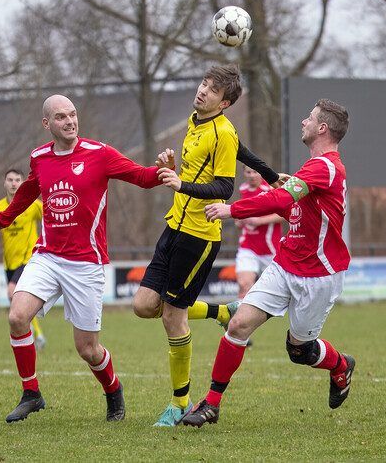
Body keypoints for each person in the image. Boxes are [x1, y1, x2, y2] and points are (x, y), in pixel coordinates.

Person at [0, 94, 174, 423]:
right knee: (17, 316)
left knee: (87, 349)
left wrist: (163, 171)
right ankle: (32, 393)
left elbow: (141, 177)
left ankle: (113, 389)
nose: (70, 121)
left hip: (86, 262)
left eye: (72, 114)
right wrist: (2, 220)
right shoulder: (39, 157)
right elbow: (29, 191)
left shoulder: (100, 154)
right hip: (47, 256)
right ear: (47, 124)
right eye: (60, 117)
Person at [181, 98, 355, 428]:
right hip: (285, 264)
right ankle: (211, 403)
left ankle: (340, 366)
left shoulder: (325, 166)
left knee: (299, 350)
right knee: (238, 325)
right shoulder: (314, 167)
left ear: (322, 128)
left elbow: (281, 200)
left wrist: (233, 209)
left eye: (310, 118)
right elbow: (296, 209)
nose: (303, 121)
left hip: (319, 274)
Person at [132, 64, 286, 427]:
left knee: (173, 316)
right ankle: (221, 313)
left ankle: (179, 403)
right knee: (143, 305)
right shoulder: (195, 121)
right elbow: (244, 151)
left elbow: (223, 188)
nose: (202, 91)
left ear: (225, 102)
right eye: (203, 84)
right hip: (174, 225)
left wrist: (180, 184)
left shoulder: (222, 132)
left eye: (212, 90)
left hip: (200, 236)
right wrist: (269, 174)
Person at [0, 169, 46, 350]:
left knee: (11, 292)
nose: (14, 183)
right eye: (10, 180)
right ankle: (36, 335)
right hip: (9, 263)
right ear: (4, 183)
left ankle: (36, 334)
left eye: (17, 180)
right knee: (17, 303)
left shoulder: (33, 205)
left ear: (23, 183)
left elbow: (51, 218)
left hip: (29, 259)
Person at [234, 166, 284, 299]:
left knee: (281, 289)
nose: (252, 175)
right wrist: (239, 221)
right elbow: (241, 216)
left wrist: (259, 221)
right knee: (244, 285)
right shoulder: (243, 189)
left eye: (255, 172)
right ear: (244, 173)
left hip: (270, 248)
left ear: (261, 174)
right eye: (248, 172)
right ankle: (240, 319)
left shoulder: (271, 190)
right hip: (248, 246)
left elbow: (284, 215)